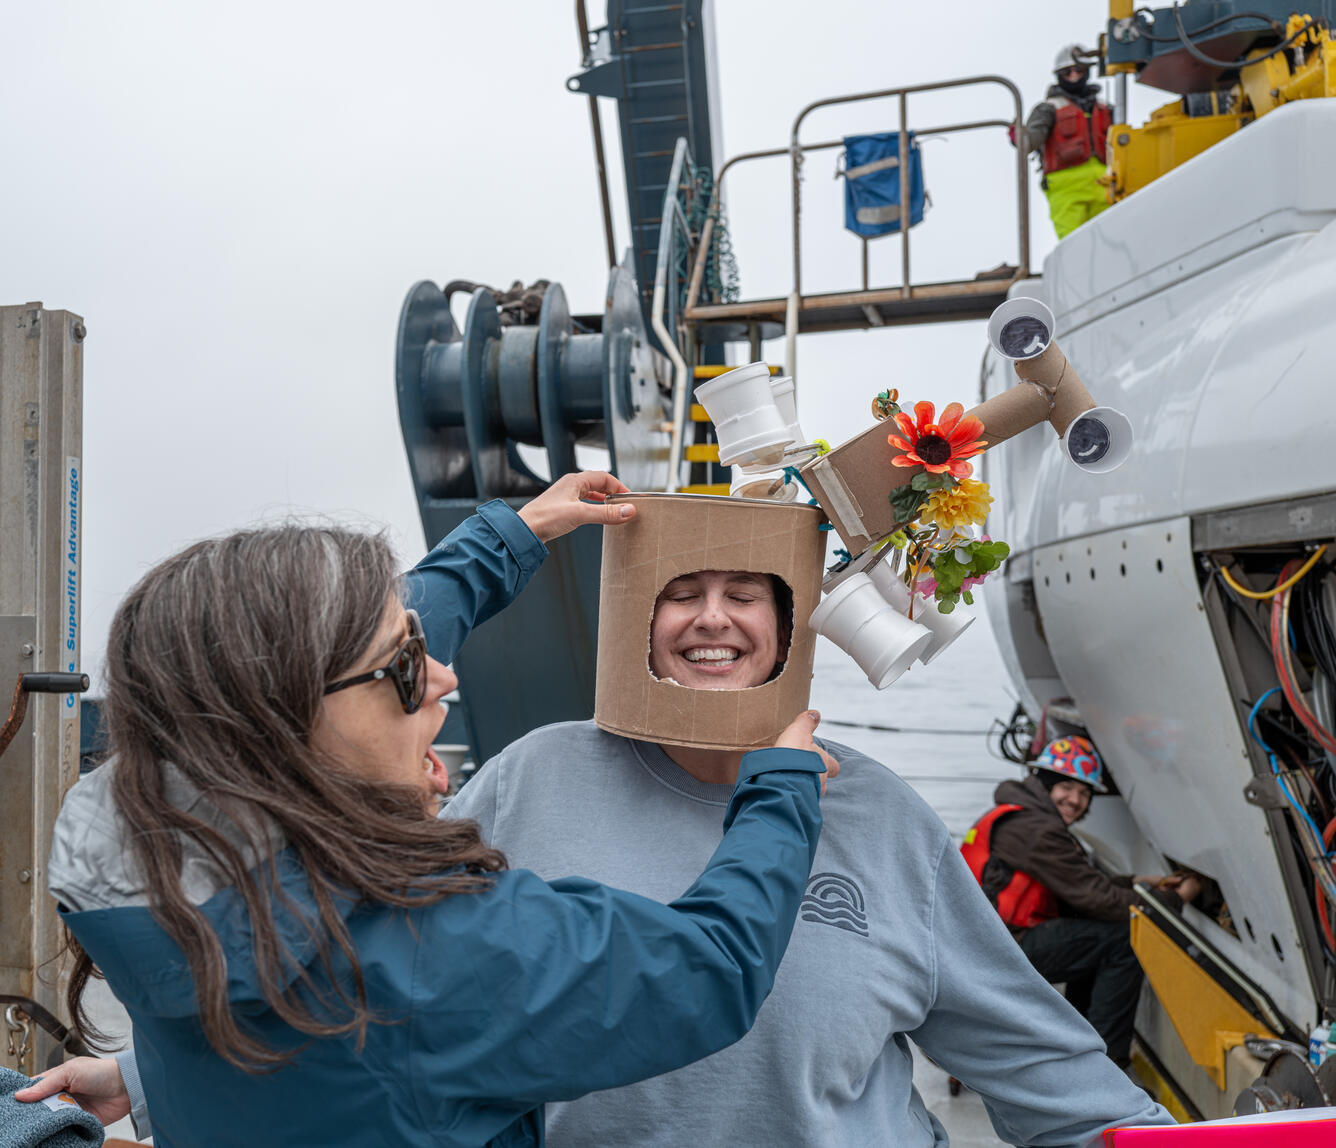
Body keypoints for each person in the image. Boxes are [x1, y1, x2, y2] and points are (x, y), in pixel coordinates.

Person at [17, 474, 836, 1148]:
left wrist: (516, 533)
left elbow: (337, 658)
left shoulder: (160, 869)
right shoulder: (432, 956)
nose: (443, 678)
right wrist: (781, 787)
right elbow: (708, 971)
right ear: (290, 715)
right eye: (409, 666)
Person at [439, 568, 1174, 1145]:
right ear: (640, 617)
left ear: (791, 629)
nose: (713, 617)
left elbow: (1033, 1058)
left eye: (745, 595)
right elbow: (396, 976)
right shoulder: (531, 776)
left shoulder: (880, 812)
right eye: (682, 593)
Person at [964, 736, 1202, 1067]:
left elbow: (1076, 884)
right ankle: (1107, 1064)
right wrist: (1175, 899)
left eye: (1084, 793)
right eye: (1066, 788)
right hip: (997, 953)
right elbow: (1096, 899)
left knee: (1092, 934)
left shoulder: (1022, 817)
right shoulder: (1037, 830)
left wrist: (1138, 882)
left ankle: (1076, 1042)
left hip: (982, 947)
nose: (1075, 800)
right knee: (1122, 936)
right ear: (1045, 785)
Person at [1024, 44, 1115, 240]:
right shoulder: (1048, 109)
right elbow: (1030, 141)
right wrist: (1020, 138)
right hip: (1066, 190)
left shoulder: (1105, 108)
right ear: (1058, 75)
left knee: (1110, 242)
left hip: (1105, 185)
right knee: (1073, 245)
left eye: (1079, 70)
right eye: (1067, 72)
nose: (1074, 75)